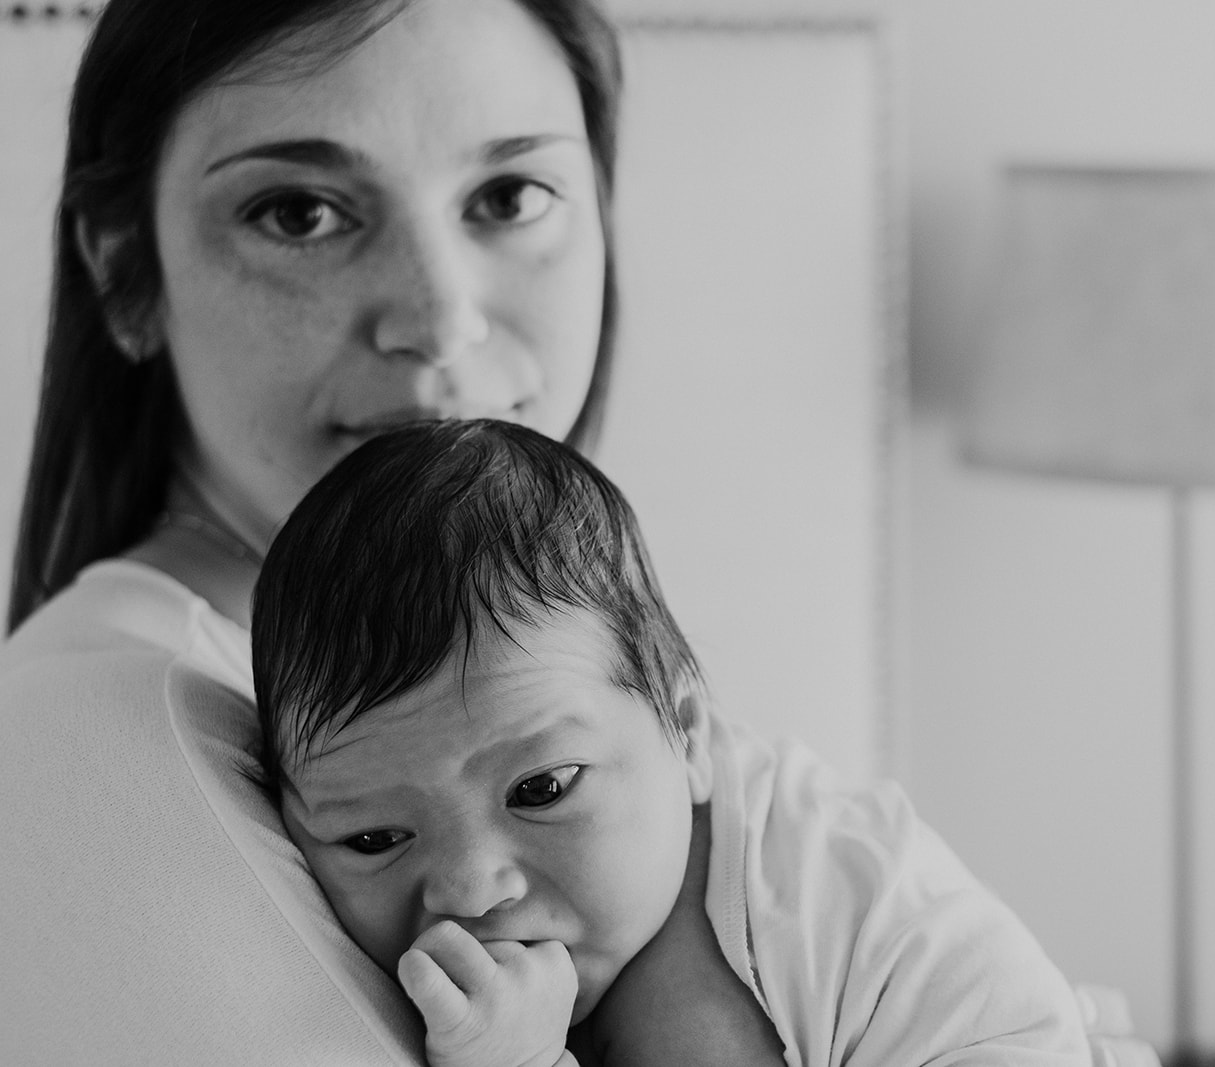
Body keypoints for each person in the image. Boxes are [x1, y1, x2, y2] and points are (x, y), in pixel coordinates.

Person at [0, 0, 790, 1061]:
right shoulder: (94, 737)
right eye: (297, 212)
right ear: (123, 270)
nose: (438, 315)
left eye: (509, 195)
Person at [252, 418, 1091, 1066]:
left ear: (687, 734)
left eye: (541, 789)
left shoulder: (745, 938)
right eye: (373, 838)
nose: (471, 891)